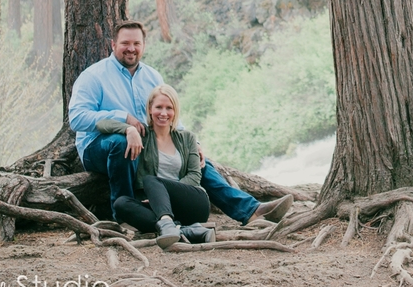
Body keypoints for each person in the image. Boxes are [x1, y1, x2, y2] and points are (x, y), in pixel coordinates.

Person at [68, 20, 293, 225]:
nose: (131, 48)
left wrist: (190, 143)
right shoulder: (94, 76)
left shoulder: (152, 76)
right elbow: (77, 118)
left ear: (144, 45)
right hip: (99, 146)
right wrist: (124, 121)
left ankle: (251, 211)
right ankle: (124, 219)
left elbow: (166, 111)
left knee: (194, 159)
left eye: (136, 43)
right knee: (120, 142)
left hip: (147, 142)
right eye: (125, 43)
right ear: (113, 44)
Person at [98, 84, 212, 247]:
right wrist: (129, 129)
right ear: (150, 109)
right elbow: (101, 124)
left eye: (169, 108)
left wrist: (162, 195)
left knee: (151, 181)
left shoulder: (188, 138)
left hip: (192, 203)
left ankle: (167, 223)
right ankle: (181, 230)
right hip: (155, 207)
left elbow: (194, 176)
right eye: (159, 107)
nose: (163, 113)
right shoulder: (142, 135)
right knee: (121, 204)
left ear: (175, 111)